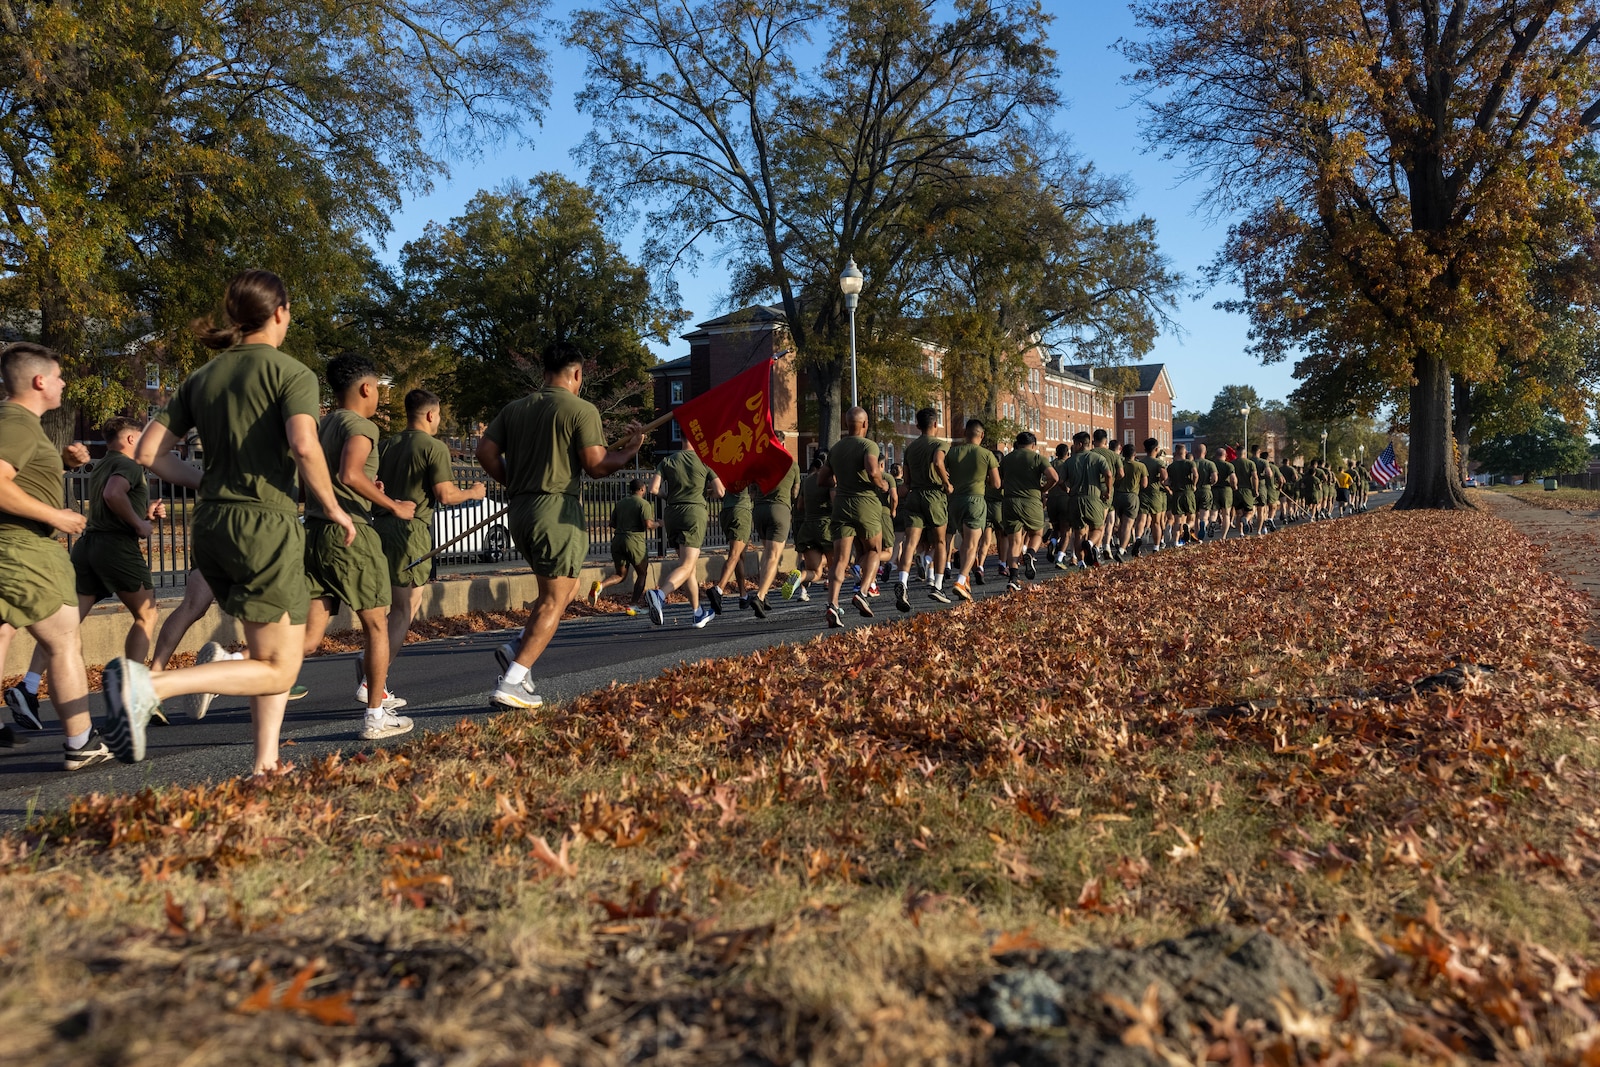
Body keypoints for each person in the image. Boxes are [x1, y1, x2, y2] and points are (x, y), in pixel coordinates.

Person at [105, 270, 357, 773]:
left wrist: (207, 482)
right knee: (281, 669)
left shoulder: (203, 376)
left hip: (212, 526)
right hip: (264, 525)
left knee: (268, 652)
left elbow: (150, 454)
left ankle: (265, 764)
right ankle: (149, 686)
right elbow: (305, 445)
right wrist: (332, 506)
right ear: (281, 312)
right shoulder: (292, 373)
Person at [479, 340, 643, 706]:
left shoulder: (515, 408)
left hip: (521, 511)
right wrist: (631, 450)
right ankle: (513, 680)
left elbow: (485, 452)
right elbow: (597, 465)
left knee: (563, 591)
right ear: (578, 374)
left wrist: (517, 481)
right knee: (556, 598)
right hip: (556, 512)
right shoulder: (580, 410)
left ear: (543, 373)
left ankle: (517, 649)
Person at [9, 416, 165, 728]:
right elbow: (112, 494)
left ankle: (28, 686)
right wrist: (140, 525)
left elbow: (110, 499)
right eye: (143, 435)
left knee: (62, 628)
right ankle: (132, 695)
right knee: (147, 615)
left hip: (88, 547)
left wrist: (143, 514)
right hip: (116, 548)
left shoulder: (102, 463)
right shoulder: (130, 465)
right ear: (132, 439)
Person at [296, 354, 417, 739]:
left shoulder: (322, 425)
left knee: (309, 639)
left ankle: (233, 663)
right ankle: (376, 717)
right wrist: (393, 505)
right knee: (377, 625)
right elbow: (350, 473)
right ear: (367, 388)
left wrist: (368, 490)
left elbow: (312, 482)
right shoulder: (361, 425)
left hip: (314, 532)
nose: (379, 395)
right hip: (350, 535)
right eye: (379, 388)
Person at [0, 343, 107, 767]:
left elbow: (21, 476)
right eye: (60, 377)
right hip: (25, 548)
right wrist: (56, 517)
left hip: (12, 545)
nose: (64, 384)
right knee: (64, 643)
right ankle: (81, 742)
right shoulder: (18, 422)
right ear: (40, 381)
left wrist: (61, 462)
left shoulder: (16, 424)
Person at [376, 388, 488, 659]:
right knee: (406, 608)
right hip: (410, 531)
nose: (438, 421)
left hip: (379, 526)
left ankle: (373, 663)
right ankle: (373, 675)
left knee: (396, 605)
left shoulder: (386, 445)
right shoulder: (433, 447)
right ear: (429, 414)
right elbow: (446, 495)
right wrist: (474, 493)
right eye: (438, 416)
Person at [818, 406, 887, 627]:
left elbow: (822, 480)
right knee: (874, 550)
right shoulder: (869, 445)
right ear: (865, 424)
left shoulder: (836, 448)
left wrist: (837, 483)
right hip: (865, 503)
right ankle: (863, 592)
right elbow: (873, 470)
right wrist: (882, 484)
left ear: (846, 424)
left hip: (842, 504)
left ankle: (832, 604)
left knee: (840, 559)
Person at [646, 444, 724, 628]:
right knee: (688, 564)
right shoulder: (705, 460)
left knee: (687, 565)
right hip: (693, 512)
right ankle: (660, 595)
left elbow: (653, 489)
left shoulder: (668, 460)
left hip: (672, 513)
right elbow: (720, 491)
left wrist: (669, 496)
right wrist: (703, 492)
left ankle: (697, 612)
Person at [943, 419, 1000, 600]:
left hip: (955, 502)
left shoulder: (952, 453)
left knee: (964, 542)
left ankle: (965, 579)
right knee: (971, 544)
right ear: (981, 435)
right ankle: (960, 581)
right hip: (975, 501)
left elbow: (942, 470)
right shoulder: (986, 454)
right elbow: (997, 483)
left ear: (965, 433)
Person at [997, 432, 1057, 591]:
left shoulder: (1007, 459)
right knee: (1037, 533)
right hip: (1031, 500)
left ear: (1017, 443)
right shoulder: (1038, 458)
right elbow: (1054, 477)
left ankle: (1013, 578)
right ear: (1034, 445)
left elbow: (998, 481)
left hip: (1010, 502)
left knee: (1014, 542)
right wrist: (1043, 489)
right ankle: (1030, 553)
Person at [748, 433, 798, 617]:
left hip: (759, 510)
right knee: (773, 556)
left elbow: (751, 489)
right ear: (783, 442)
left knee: (767, 553)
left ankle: (765, 591)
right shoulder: (790, 462)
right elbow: (795, 491)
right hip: (779, 509)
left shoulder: (759, 462)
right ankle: (760, 596)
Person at [592, 478, 658, 613]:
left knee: (620, 574)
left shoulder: (620, 503)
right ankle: (632, 605)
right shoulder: (643, 504)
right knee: (642, 573)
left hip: (618, 541)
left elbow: (612, 524)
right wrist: (659, 524)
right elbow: (648, 525)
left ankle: (600, 585)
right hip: (634, 542)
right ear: (642, 489)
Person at [781, 449, 831, 603]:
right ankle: (833, 604)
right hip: (826, 527)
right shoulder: (831, 480)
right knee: (837, 566)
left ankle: (800, 577)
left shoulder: (807, 481)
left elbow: (800, 505)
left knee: (815, 572)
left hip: (807, 528)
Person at [1063, 432, 1113, 567]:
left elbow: (1061, 481)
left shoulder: (1069, 461)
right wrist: (1108, 491)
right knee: (1098, 528)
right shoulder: (1097, 458)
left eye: (1074, 443)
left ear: (1079, 444)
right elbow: (1108, 474)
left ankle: (1080, 563)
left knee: (1079, 532)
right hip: (1093, 498)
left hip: (1075, 499)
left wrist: (1067, 490)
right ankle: (1090, 543)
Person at [708, 481, 752, 612]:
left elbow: (717, 491)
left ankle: (743, 595)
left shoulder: (723, 468)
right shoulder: (743, 467)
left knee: (739, 556)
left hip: (726, 511)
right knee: (734, 555)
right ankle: (719, 589)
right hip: (741, 511)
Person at [1110, 441, 1146, 562]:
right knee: (1128, 525)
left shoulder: (1119, 464)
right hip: (1132, 496)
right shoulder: (1140, 466)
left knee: (1118, 523)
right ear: (1134, 454)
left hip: (1118, 495)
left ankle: (1117, 542)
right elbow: (1144, 484)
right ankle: (1121, 550)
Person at [1167, 444, 1198, 545]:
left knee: (1177, 520)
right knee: (1191, 517)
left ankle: (1176, 542)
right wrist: (1194, 484)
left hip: (1177, 494)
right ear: (1185, 452)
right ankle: (1188, 527)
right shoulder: (1190, 463)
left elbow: (1166, 482)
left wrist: (1170, 486)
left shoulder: (1171, 466)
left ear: (1175, 453)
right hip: (1188, 492)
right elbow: (1196, 474)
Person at [1193, 443, 1216, 541]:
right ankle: (1203, 523)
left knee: (1195, 515)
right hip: (1206, 490)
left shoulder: (1192, 463)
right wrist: (1211, 483)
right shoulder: (1210, 464)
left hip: (1193, 491)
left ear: (1195, 452)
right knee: (1204, 514)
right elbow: (1214, 478)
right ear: (1205, 452)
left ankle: (1197, 536)